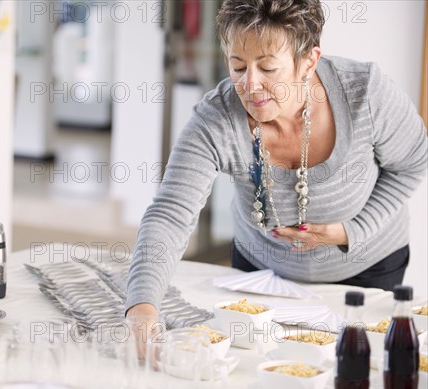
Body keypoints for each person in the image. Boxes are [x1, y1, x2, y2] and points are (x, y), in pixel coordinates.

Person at [125, 0, 427, 321]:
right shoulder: (216, 118)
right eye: (238, 66)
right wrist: (143, 304)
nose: (250, 85)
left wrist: (350, 231)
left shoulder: (365, 92)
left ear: (309, 62)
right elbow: (171, 214)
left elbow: (411, 165)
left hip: (368, 270)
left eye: (268, 68)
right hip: (261, 273)